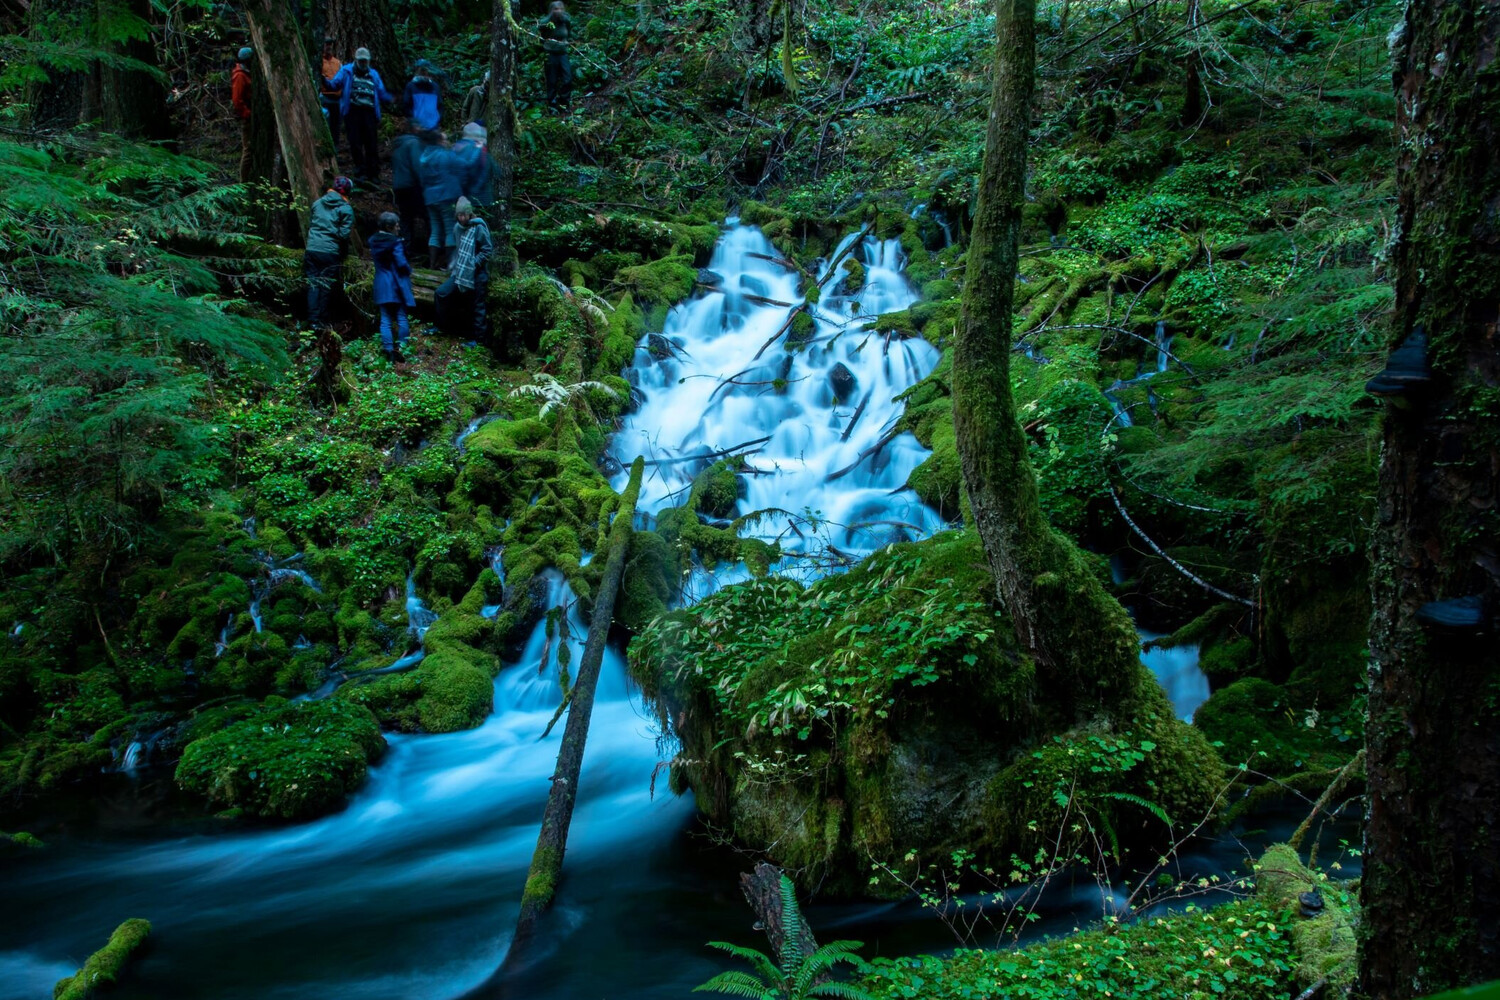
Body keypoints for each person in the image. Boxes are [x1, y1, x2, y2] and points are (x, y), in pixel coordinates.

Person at [436, 196, 492, 344]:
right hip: (460, 272)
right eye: (459, 215)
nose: (461, 218)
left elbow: (487, 250)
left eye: (464, 215)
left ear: (469, 214)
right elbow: (459, 249)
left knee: (477, 307)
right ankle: (443, 326)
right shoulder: (457, 228)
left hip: (477, 273)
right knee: (441, 293)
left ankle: (479, 340)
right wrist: (455, 266)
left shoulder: (479, 227)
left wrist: (473, 263)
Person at [304, 176, 355, 328]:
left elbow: (312, 224)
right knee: (325, 286)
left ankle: (313, 320)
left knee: (313, 284)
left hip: (312, 249)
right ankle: (322, 320)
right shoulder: (346, 209)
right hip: (330, 252)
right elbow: (343, 235)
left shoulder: (317, 203)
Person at [338, 47, 395, 181]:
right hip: (353, 112)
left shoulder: (373, 74)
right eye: (361, 61)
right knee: (355, 143)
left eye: (365, 61)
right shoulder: (346, 71)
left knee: (371, 143)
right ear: (356, 60)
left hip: (369, 112)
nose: (363, 63)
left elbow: (381, 91)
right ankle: (360, 171)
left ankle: (373, 173)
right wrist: (325, 82)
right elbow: (335, 83)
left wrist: (391, 98)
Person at [370, 211, 415, 363]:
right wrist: (409, 271)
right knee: (401, 317)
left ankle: (389, 350)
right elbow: (401, 263)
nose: (399, 228)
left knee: (385, 319)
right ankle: (402, 348)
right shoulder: (395, 242)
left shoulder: (373, 241)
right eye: (396, 226)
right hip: (396, 284)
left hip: (381, 283)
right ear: (389, 227)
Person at [417, 131, 461, 269]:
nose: (446, 142)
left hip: (430, 198)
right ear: (438, 141)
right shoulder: (444, 155)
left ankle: (432, 264)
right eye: (444, 140)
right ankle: (449, 265)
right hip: (445, 196)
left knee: (435, 230)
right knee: (450, 229)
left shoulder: (423, 156)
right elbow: (460, 166)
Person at [389, 125, 426, 257]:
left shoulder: (398, 145)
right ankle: (428, 251)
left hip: (399, 186)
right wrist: (424, 183)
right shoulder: (414, 143)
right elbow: (418, 166)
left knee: (406, 218)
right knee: (425, 215)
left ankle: (405, 249)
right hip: (412, 186)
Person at [538, 1, 573, 110]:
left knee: (567, 78)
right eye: (556, 9)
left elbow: (569, 33)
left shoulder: (565, 21)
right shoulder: (546, 22)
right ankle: (552, 105)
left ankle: (564, 103)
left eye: (561, 9)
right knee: (552, 80)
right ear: (552, 10)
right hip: (551, 54)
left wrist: (568, 41)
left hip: (563, 53)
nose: (559, 11)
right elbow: (539, 34)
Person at [452, 121, 495, 208]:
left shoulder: (456, 148)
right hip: (480, 198)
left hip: (464, 198)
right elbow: (496, 171)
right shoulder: (480, 150)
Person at [402, 59, 443, 131]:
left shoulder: (435, 86)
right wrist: (413, 122)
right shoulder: (411, 86)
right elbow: (406, 106)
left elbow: (440, 105)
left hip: (433, 127)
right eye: (421, 70)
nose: (424, 72)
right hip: (417, 128)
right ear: (417, 71)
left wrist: (437, 120)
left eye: (425, 70)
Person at [232, 47, 254, 182]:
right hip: (247, 118)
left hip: (251, 115)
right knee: (248, 150)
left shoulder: (247, 72)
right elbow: (237, 100)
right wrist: (247, 114)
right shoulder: (240, 75)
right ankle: (243, 182)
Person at [319, 38, 344, 154]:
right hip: (324, 97)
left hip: (337, 98)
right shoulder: (319, 61)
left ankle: (335, 151)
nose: (328, 47)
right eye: (326, 44)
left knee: (336, 126)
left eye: (330, 45)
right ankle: (327, 151)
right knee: (326, 126)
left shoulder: (337, 62)